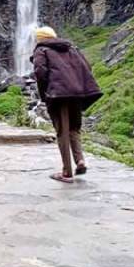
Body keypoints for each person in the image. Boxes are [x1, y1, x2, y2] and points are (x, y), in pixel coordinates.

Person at [31, 26, 103, 184]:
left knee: (62, 131)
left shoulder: (41, 50)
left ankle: (67, 172)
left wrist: (44, 94)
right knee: (74, 128)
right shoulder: (72, 48)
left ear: (40, 38)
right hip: (77, 93)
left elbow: (40, 72)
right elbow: (87, 67)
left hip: (58, 94)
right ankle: (80, 160)